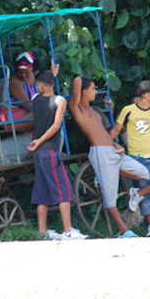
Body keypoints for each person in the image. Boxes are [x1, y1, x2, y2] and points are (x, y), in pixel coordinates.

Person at [69, 75, 150, 238]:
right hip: (100, 153)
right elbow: (76, 86)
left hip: (112, 151)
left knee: (144, 173)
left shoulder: (96, 111)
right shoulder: (78, 109)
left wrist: (115, 144)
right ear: (84, 92)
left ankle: (111, 177)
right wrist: (78, 79)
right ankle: (125, 231)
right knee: (110, 199)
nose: (95, 91)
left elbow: (106, 132)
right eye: (92, 88)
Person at [109, 80, 150, 237]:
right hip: (136, 158)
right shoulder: (129, 110)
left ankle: (138, 193)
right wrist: (110, 144)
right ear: (147, 95)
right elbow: (117, 130)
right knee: (148, 196)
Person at [27, 65, 87, 241]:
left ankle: (42, 231)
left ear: (42, 85)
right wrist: (41, 140)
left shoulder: (35, 98)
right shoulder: (60, 101)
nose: (37, 87)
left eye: (39, 84)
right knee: (63, 190)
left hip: (38, 153)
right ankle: (68, 230)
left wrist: (37, 141)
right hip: (50, 151)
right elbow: (55, 125)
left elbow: (46, 88)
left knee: (41, 192)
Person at [0, 50, 40, 130]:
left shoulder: (37, 79)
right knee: (43, 116)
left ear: (33, 70)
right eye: (20, 72)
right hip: (11, 116)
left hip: (26, 113)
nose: (23, 75)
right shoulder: (14, 81)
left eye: (26, 72)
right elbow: (26, 104)